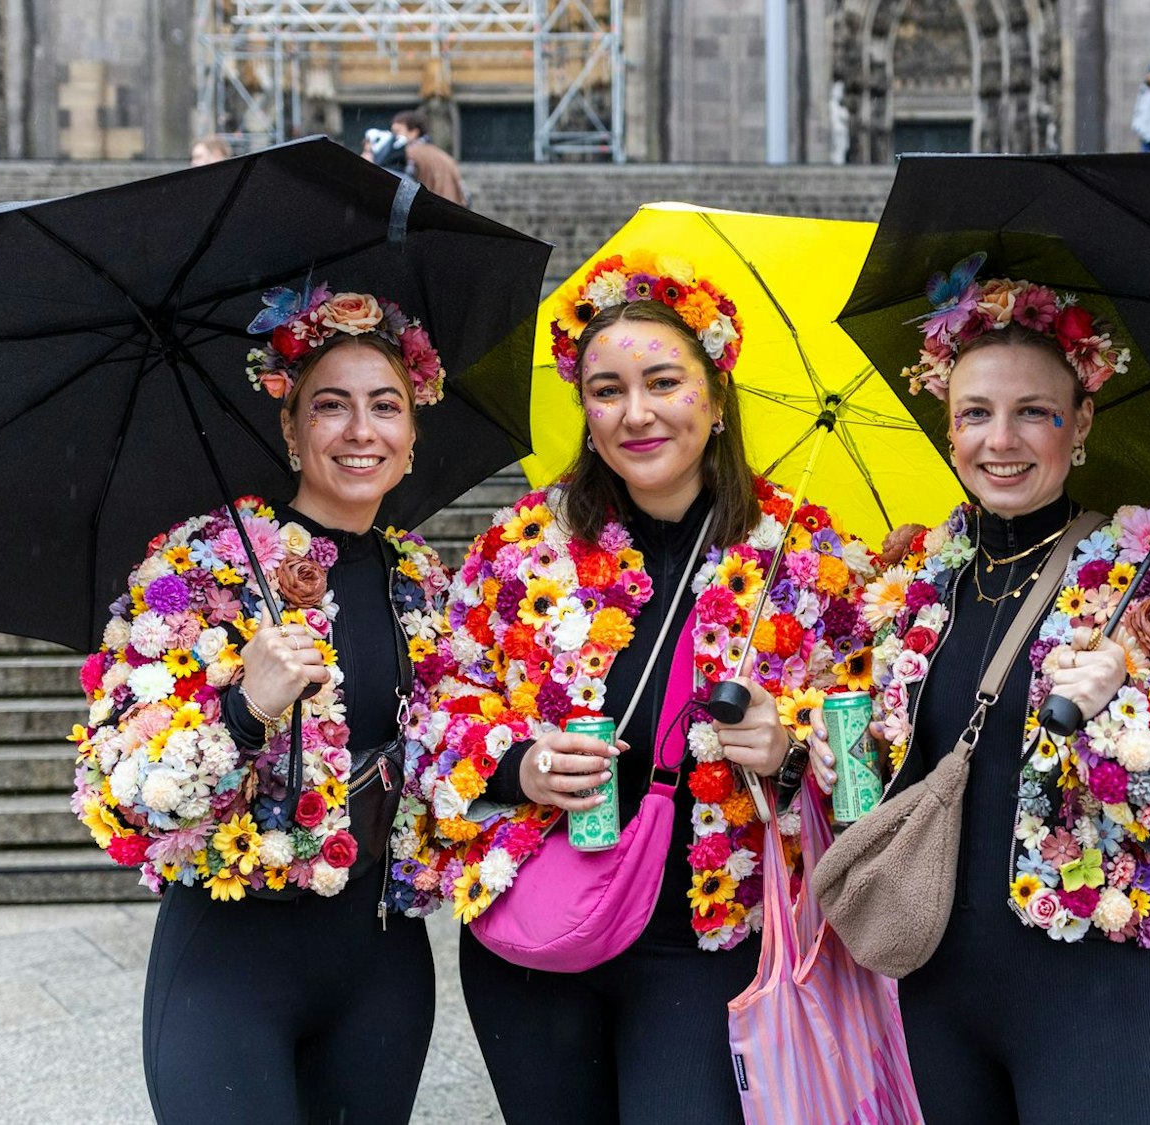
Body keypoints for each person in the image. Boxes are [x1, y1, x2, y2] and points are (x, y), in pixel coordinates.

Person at [815, 265, 1150, 1123]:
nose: (999, 440)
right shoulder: (917, 582)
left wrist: (1135, 708)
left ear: (1079, 422)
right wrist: (822, 754)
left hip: (1087, 992)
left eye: (1033, 412)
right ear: (947, 423)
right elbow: (891, 757)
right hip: (934, 980)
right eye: (975, 412)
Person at [395, 253, 875, 1123]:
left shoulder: (805, 555)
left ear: (717, 396)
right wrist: (518, 764)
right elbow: (439, 699)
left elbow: (872, 734)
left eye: (663, 381)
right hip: (537, 931)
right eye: (607, 389)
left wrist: (792, 745)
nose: (637, 412)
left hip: (705, 940)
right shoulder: (519, 546)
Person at [71, 286, 454, 1124]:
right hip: (230, 968)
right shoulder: (199, 568)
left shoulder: (423, 580)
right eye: (330, 405)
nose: (361, 430)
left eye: (385, 405)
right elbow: (120, 787)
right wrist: (244, 706)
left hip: (382, 969)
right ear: (289, 429)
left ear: (414, 432)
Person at [387, 109, 465, 206]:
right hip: (450, 214)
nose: (394, 136)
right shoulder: (445, 157)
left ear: (414, 132)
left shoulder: (409, 154)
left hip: (426, 213)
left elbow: (405, 188)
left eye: (397, 131)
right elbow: (464, 195)